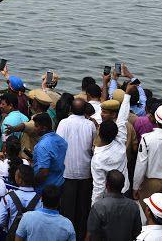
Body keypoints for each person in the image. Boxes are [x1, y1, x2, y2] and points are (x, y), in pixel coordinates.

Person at [56, 98, 96, 239]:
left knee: (67, 210)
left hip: (67, 172)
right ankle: (79, 235)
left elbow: (59, 145)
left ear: (70, 109)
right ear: (85, 110)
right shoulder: (90, 125)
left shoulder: (63, 123)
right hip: (85, 172)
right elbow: (93, 146)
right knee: (82, 209)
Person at [90, 84, 134, 205]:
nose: (101, 115)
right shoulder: (120, 143)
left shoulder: (97, 159)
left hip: (107, 198)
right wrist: (127, 95)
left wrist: (94, 207)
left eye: (104, 112)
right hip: (124, 191)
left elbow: (98, 188)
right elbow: (123, 118)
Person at [87, 170, 141, 241]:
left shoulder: (98, 207)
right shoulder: (134, 206)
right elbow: (137, 232)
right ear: (123, 186)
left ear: (106, 185)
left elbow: (92, 234)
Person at [0, 163, 41, 237]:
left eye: (16, 175)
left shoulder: (8, 198)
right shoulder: (40, 199)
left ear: (20, 180)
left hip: (13, 235)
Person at [32, 113, 68, 192]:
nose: (34, 128)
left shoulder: (42, 146)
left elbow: (44, 172)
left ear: (44, 128)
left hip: (45, 189)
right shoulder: (61, 140)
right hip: (59, 184)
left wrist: (32, 182)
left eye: (36, 126)